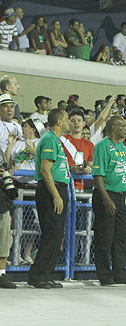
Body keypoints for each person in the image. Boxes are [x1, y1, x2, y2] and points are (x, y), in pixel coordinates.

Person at [91, 116, 126, 286]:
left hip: (120, 196)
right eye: (122, 126)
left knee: (121, 237)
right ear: (113, 128)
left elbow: (124, 172)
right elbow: (98, 175)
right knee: (105, 237)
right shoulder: (102, 146)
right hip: (106, 195)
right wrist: (106, 199)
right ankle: (104, 275)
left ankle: (121, 273)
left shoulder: (122, 147)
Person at [27, 108, 70, 289]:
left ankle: (45, 274)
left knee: (55, 233)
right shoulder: (50, 139)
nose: (68, 122)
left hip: (58, 188)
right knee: (52, 233)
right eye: (67, 119)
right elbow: (45, 170)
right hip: (51, 189)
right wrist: (56, 196)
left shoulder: (56, 140)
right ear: (59, 121)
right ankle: (38, 275)